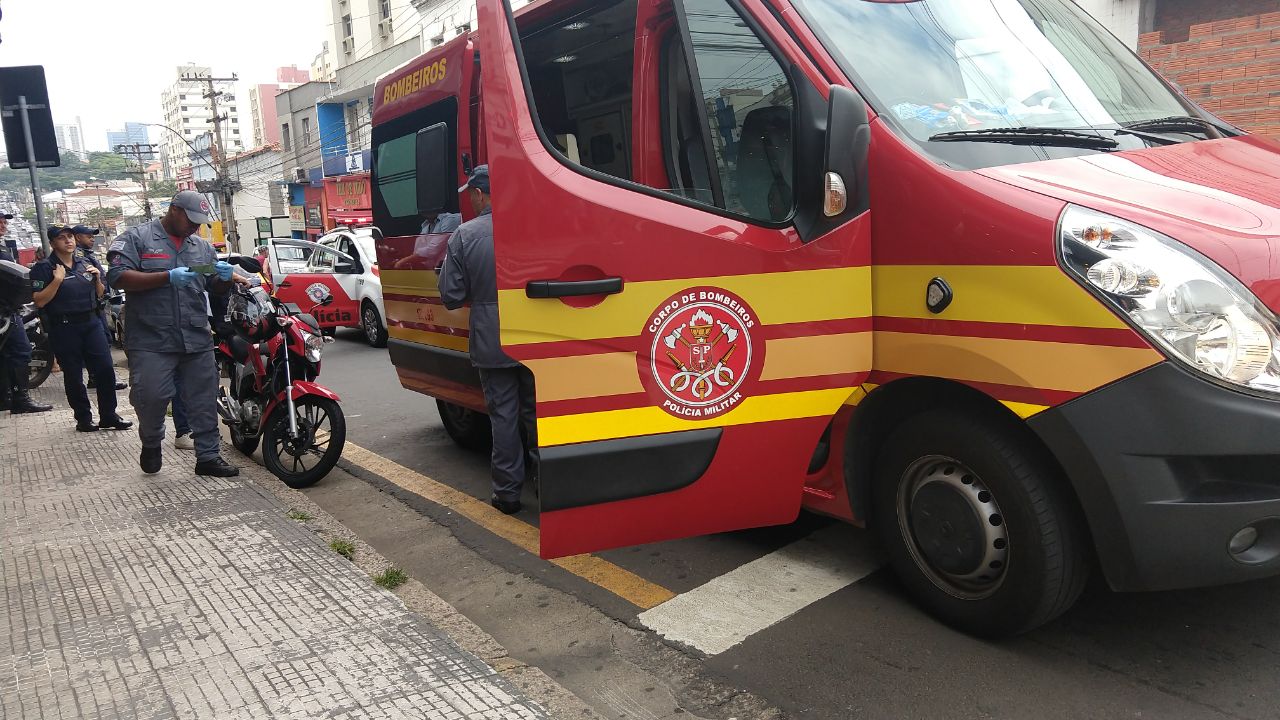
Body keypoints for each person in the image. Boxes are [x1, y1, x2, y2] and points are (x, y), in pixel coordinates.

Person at [106, 191, 239, 477]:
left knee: (204, 398)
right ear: (173, 210)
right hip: (151, 337)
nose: (195, 227)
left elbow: (212, 286)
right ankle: (151, 441)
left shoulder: (201, 247)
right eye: (191, 220)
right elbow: (117, 277)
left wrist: (223, 280)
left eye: (199, 223)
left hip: (195, 334)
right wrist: (166, 277)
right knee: (151, 397)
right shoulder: (137, 238)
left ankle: (208, 456)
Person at [438, 166, 538, 514]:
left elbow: (451, 294)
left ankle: (508, 494)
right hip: (535, 333)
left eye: (471, 194)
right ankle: (551, 487)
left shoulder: (464, 236)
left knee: (504, 417)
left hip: (491, 336)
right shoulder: (532, 229)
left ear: (480, 194)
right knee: (536, 413)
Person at [29, 225, 132, 432]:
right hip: (65, 326)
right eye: (62, 238)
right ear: (52, 243)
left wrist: (96, 280)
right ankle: (84, 418)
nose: (68, 241)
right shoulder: (44, 268)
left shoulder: (85, 262)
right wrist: (57, 280)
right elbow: (39, 301)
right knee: (74, 374)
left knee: (104, 369)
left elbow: (102, 293)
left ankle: (109, 415)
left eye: (70, 237)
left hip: (91, 322)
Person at [0, 212, 53, 415]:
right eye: (0, 221)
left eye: (4, 221)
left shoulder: (4, 248)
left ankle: (7, 398)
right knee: (20, 351)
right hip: (5, 312)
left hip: (8, 309)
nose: (3, 225)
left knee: (7, 354)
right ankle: (20, 399)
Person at [71, 225, 127, 392]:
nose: (92, 238)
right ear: (77, 237)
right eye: (88, 235)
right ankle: (99, 377)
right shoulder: (78, 256)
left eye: (93, 236)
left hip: (99, 303)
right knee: (101, 343)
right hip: (92, 305)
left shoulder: (87, 254)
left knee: (103, 342)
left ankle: (96, 377)